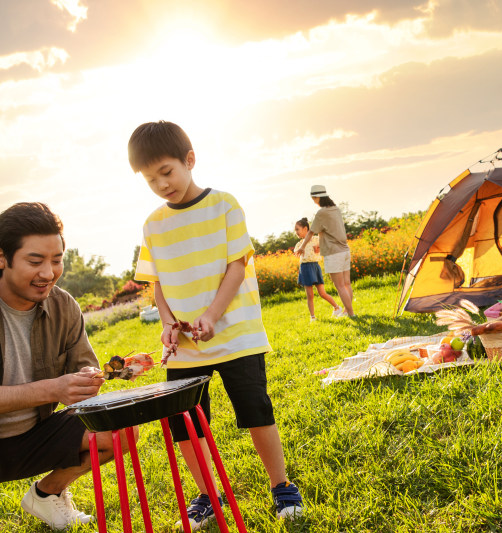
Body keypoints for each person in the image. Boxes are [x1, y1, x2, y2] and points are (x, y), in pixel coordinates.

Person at [128, 120, 303, 529]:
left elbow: (236, 267)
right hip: (185, 349)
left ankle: (281, 487)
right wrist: (169, 323)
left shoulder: (224, 204)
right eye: (151, 179)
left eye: (167, 172)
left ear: (189, 160)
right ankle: (208, 493)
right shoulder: (154, 224)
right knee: (184, 423)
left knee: (255, 409)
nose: (161, 184)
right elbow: (157, 285)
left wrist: (210, 316)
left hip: (236, 335)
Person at [0, 202, 130, 532]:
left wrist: (88, 378)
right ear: (0, 257)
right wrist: (54, 388)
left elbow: (85, 367)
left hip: (34, 436)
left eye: (57, 260)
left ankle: (47, 493)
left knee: (121, 425)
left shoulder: (64, 305)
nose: (48, 272)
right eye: (35, 261)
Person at [296, 185, 355, 317]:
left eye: (313, 199)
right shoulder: (336, 210)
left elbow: (311, 232)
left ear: (317, 197)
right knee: (346, 284)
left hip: (334, 253)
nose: (313, 201)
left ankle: (350, 313)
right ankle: (347, 312)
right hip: (344, 250)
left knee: (339, 285)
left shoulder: (322, 213)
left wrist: (302, 246)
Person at [292, 217, 342, 320]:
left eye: (297, 229)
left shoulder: (315, 239)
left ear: (305, 228)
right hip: (305, 268)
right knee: (310, 295)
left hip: (315, 266)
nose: (296, 232)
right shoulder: (299, 244)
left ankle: (337, 308)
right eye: (295, 230)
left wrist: (319, 247)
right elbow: (296, 252)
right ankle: (313, 317)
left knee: (322, 293)